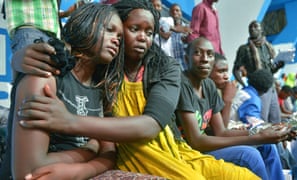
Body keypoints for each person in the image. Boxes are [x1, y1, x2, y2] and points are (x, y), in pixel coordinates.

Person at [12, 0, 259, 179]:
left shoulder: (158, 69)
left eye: (149, 32)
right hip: (124, 159)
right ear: (87, 26)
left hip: (168, 151)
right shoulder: (101, 74)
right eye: (131, 30)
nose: (141, 37)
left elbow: (146, 127)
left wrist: (71, 128)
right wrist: (19, 58)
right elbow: (31, 168)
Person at [0, 3, 124, 179]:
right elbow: (28, 171)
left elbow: (110, 154)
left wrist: (82, 170)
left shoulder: (100, 88)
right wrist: (91, 149)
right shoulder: (45, 75)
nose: (116, 40)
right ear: (85, 23)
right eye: (110, 30)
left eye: (119, 36)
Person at [176, 36, 292, 180]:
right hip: (191, 151)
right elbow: (197, 142)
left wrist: (263, 133)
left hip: (206, 143)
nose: (205, 59)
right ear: (186, 59)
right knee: (250, 155)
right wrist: (257, 137)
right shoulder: (182, 84)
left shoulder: (208, 85)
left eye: (210, 54)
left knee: (268, 146)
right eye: (198, 53)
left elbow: (221, 131)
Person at [233, 20, 284, 124]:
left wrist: (278, 66)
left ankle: (276, 140)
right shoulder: (244, 49)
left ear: (262, 30)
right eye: (250, 27)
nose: (252, 29)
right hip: (258, 90)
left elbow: (271, 70)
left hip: (271, 87)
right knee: (261, 120)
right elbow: (235, 70)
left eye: (256, 27)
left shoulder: (268, 47)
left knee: (275, 119)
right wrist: (244, 84)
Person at [209, 53, 238, 127]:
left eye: (226, 71)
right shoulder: (202, 93)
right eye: (221, 71)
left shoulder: (217, 91)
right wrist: (227, 101)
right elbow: (221, 131)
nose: (226, 77)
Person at [169, 3, 192, 71]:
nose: (175, 12)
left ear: (181, 13)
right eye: (172, 11)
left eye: (177, 10)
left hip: (186, 66)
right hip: (173, 67)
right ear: (170, 13)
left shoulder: (188, 28)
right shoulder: (167, 30)